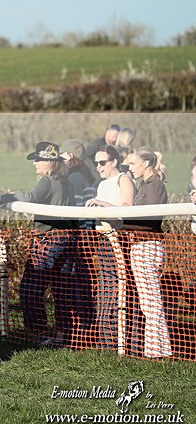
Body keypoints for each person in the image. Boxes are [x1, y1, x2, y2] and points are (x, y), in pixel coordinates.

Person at [0, 142, 75, 345]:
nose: (35, 164)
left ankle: (41, 333)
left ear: (49, 162)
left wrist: (7, 197)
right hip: (66, 239)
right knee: (62, 290)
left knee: (30, 288)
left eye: (38, 160)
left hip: (47, 240)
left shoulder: (47, 181)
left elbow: (31, 198)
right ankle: (63, 335)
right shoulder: (66, 182)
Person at [124, 147, 172, 358]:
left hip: (147, 246)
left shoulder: (155, 186)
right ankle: (157, 350)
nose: (130, 168)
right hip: (141, 246)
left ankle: (158, 351)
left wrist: (119, 218)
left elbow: (147, 219)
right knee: (149, 303)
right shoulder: (145, 185)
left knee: (151, 303)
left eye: (133, 163)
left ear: (145, 163)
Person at [85, 144, 135, 349]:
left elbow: (128, 210)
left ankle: (119, 339)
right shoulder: (101, 184)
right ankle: (106, 339)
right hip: (103, 240)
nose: (98, 166)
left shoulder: (123, 179)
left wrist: (103, 205)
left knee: (117, 289)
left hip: (119, 239)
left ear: (114, 161)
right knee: (105, 289)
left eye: (102, 162)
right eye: (96, 163)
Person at [58, 139, 98, 346]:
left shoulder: (73, 178)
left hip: (78, 238)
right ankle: (84, 330)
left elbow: (73, 211)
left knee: (74, 286)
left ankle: (79, 332)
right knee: (81, 284)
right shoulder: (85, 175)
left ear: (69, 156)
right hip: (85, 236)